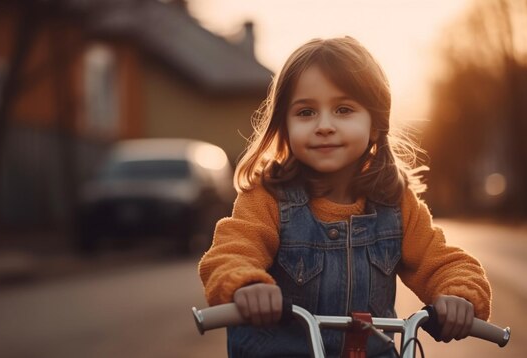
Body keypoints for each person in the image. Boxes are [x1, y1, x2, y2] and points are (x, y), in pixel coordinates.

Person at [198, 36, 491, 357]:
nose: (324, 125)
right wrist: (246, 285)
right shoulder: (267, 198)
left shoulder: (396, 204)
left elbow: (443, 262)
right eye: (306, 112)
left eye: (343, 109)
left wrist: (458, 294)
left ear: (375, 126)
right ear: (284, 125)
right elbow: (231, 251)